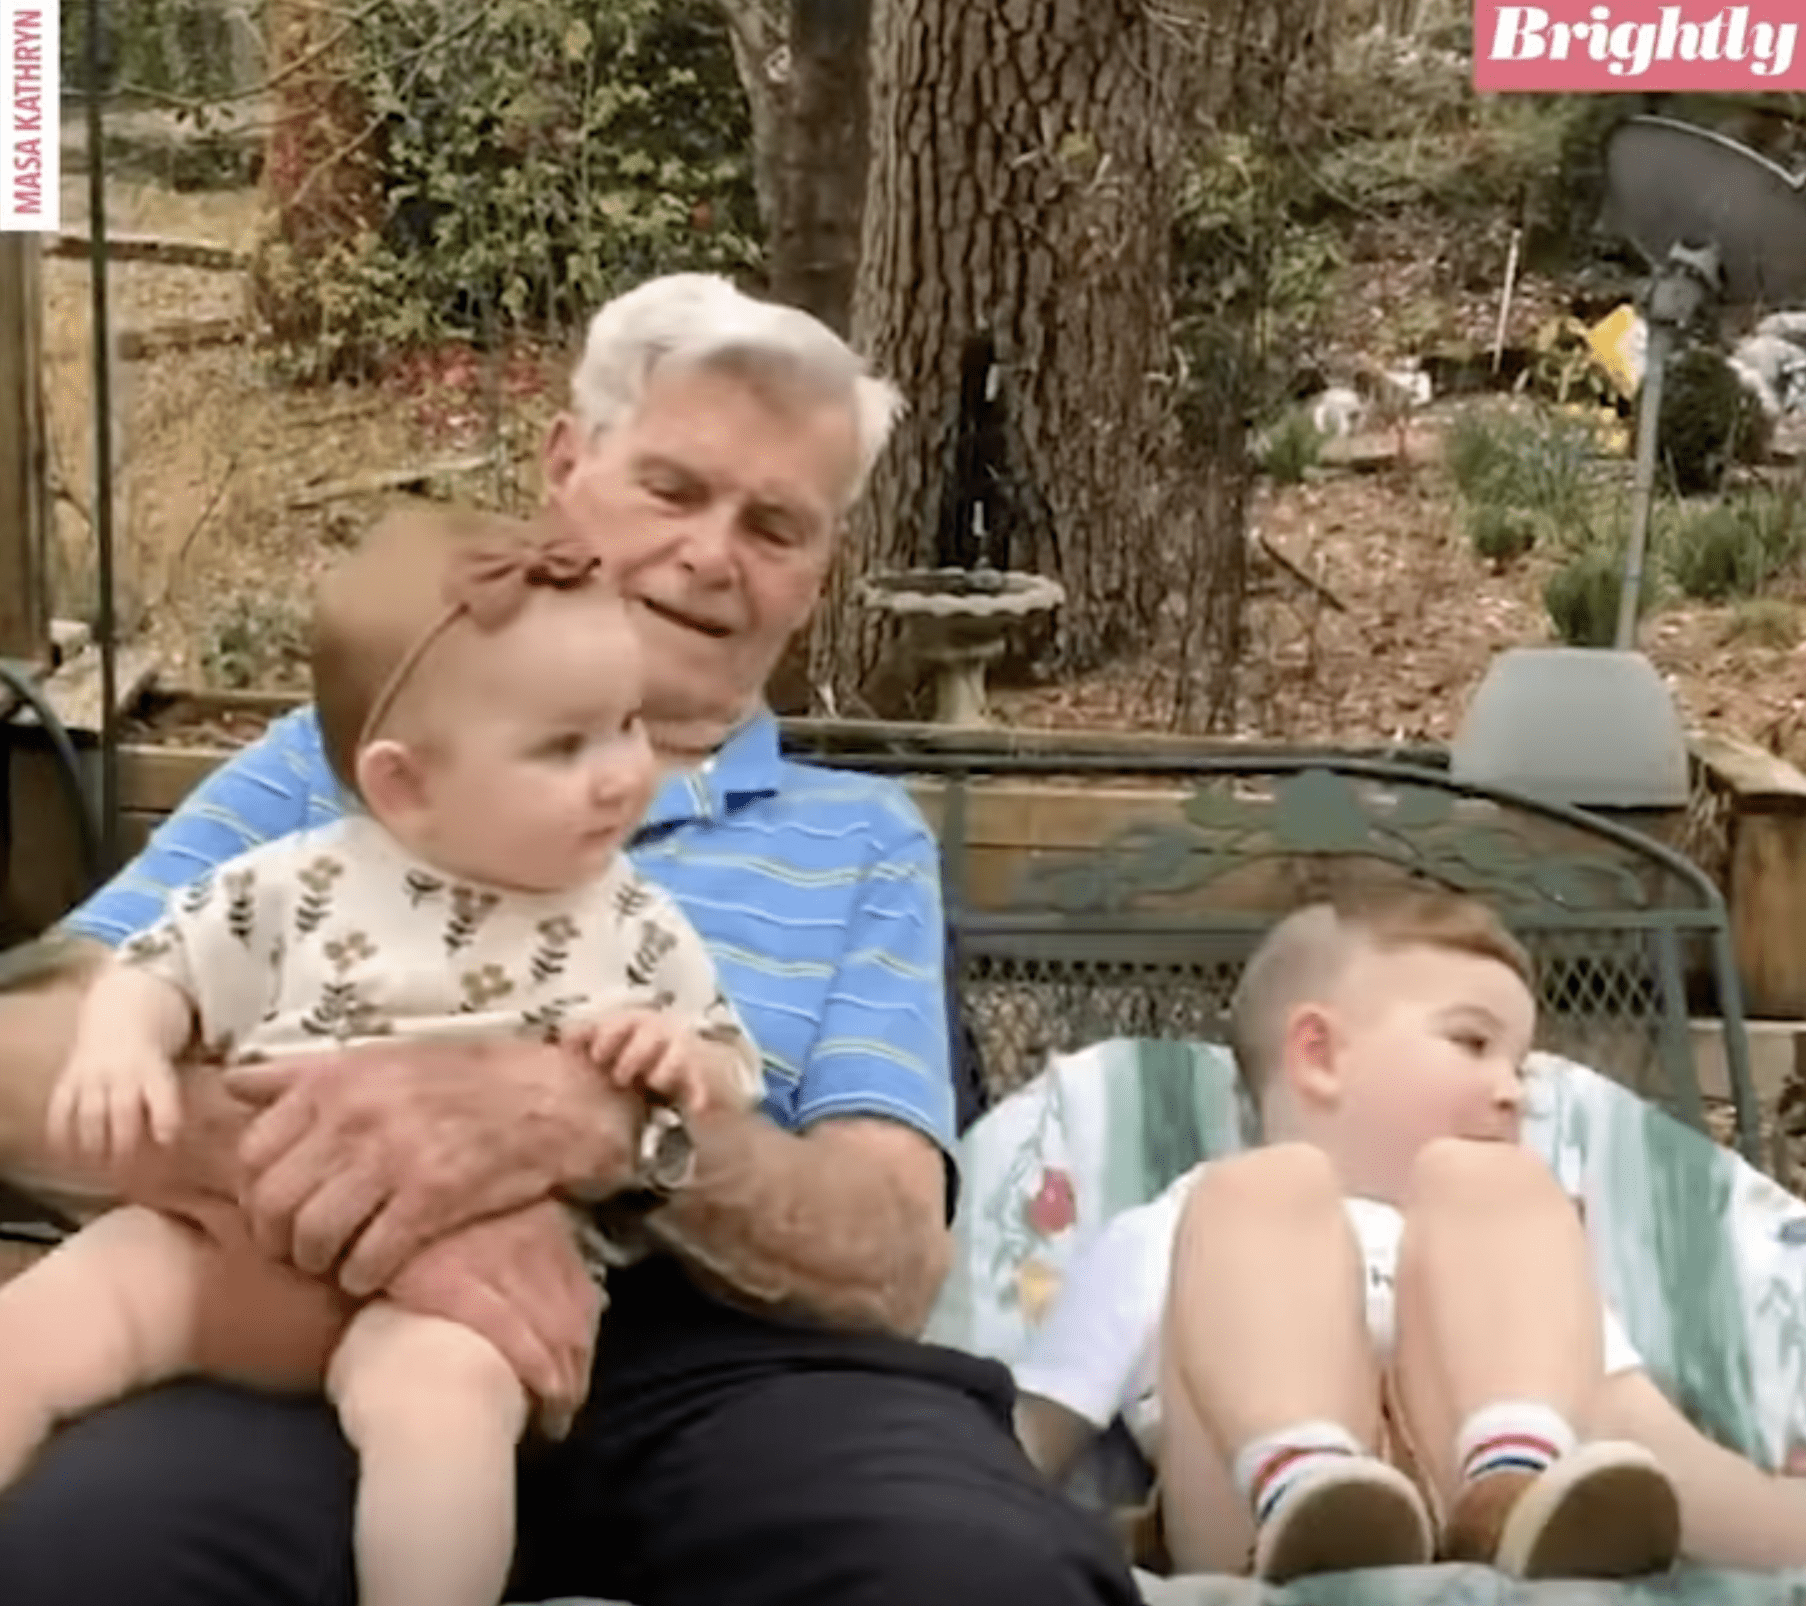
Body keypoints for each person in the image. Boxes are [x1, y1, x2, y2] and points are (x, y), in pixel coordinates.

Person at [0, 274, 1139, 1606]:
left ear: (817, 574)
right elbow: (28, 1048)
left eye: (774, 525)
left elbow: (884, 1253)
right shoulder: (351, 765)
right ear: (566, 463)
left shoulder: (859, 840)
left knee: (977, 1577)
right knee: (102, 1556)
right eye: (673, 487)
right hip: (299, 1305)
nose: (713, 553)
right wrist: (377, 1190)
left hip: (733, 1359)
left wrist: (599, 1131)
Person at [1, 505, 762, 1606]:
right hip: (238, 1252)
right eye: (566, 744)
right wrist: (120, 1045)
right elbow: (160, 968)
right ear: (404, 783)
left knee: (441, 1411)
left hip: (466, 1297)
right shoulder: (297, 882)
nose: (623, 774)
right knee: (38, 1323)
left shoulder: (631, 923)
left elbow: (727, 1073)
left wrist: (670, 1054)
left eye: (630, 724)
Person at [1014, 885, 1806, 1585]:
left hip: (1504, 1526)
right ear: (1320, 1054)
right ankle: (1308, 1478)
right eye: (1473, 1042)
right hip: (1253, 1527)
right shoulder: (1176, 1225)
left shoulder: (1514, 1241)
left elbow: (1641, 1440)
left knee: (1502, 1195)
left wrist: (1782, 1518)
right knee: (1263, 1190)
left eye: (1522, 1066)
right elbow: (1028, 1443)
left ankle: (1510, 1485)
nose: (1515, 1092)